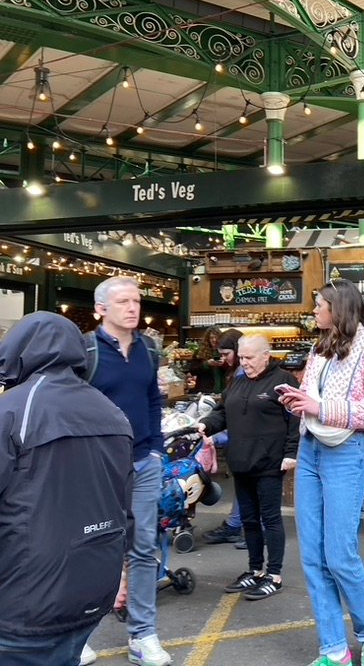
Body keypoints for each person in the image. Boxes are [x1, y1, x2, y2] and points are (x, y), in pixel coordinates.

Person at [0, 312, 134, 666]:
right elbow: (124, 506)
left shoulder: (13, 411)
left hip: (24, 597)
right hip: (91, 589)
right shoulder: (112, 412)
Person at [278, 280, 364, 666]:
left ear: (338, 309)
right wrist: (299, 404)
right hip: (310, 451)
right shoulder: (319, 346)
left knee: (340, 555)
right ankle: (333, 649)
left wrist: (318, 406)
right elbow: (314, 399)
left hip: (345, 453)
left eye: (319, 305)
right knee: (312, 556)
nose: (313, 311)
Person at [81, 277, 170, 666]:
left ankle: (143, 636)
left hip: (142, 463)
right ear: (101, 309)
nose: (133, 307)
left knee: (143, 549)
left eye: (136, 300)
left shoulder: (149, 349)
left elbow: (153, 400)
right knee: (91, 549)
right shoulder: (85, 350)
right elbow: (71, 404)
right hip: (97, 466)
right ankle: (78, 634)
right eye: (123, 302)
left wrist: (155, 451)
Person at [198, 335, 299, 599]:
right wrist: (206, 424)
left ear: (266, 355)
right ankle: (255, 571)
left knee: (271, 520)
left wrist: (291, 453)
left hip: (269, 462)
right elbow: (222, 412)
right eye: (241, 358)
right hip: (241, 461)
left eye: (249, 358)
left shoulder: (284, 381)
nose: (244, 363)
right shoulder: (237, 381)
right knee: (250, 520)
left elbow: (295, 420)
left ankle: (273, 575)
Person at [202, 328, 248, 547]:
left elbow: (239, 413)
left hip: (245, 438)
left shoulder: (241, 373)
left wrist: (220, 436)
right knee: (244, 485)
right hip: (241, 437)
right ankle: (236, 524)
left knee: (249, 486)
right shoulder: (237, 372)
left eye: (225, 354)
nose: (223, 359)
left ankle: (247, 528)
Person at [189, 326, 224, 393]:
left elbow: (231, 368)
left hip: (222, 389)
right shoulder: (200, 352)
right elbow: (192, 370)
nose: (214, 340)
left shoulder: (225, 350)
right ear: (207, 339)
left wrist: (224, 363)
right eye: (211, 338)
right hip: (205, 390)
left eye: (216, 337)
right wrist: (206, 364)